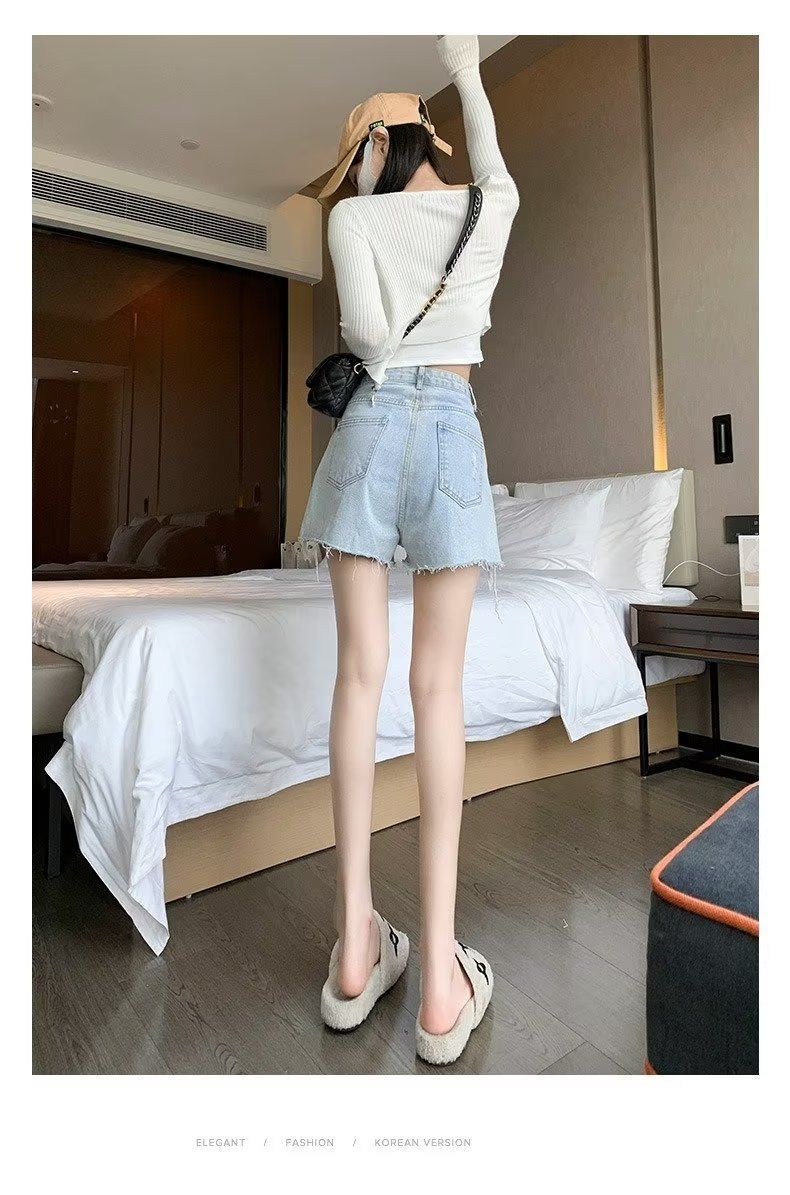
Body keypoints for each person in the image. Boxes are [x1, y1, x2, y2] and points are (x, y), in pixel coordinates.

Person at [300, 34, 519, 1066]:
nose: (352, 180)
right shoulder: (489, 206)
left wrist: (388, 317)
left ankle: (356, 953)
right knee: (439, 688)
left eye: (357, 160)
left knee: (359, 676)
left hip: (371, 429)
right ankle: (438, 982)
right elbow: (495, 163)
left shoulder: (354, 220)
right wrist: (467, 69)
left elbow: (364, 333)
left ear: (378, 147)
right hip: (453, 434)